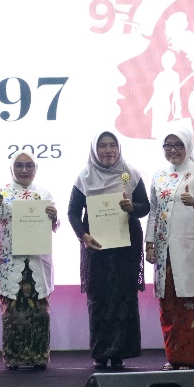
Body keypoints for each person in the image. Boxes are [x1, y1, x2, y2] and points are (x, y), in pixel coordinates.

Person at [67, 131, 149, 370]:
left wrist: (132, 207)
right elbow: (73, 212)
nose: (108, 150)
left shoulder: (131, 174)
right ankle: (101, 353)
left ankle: (120, 352)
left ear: (119, 148)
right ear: (95, 150)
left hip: (127, 246)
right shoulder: (84, 177)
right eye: (102, 146)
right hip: (97, 246)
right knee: (99, 298)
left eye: (113, 145)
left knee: (124, 297)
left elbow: (145, 207)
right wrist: (83, 236)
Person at [145, 126, 194, 370]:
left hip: (193, 249)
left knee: (193, 305)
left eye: (178, 145)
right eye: (168, 145)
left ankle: (189, 358)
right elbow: (153, 212)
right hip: (166, 253)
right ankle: (174, 357)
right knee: (169, 307)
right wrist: (149, 244)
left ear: (188, 146)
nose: (173, 150)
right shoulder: (159, 175)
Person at [0, 151, 59, 370]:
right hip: (11, 261)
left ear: (36, 168)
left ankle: (38, 357)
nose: (24, 170)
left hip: (37, 261)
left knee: (39, 312)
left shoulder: (44, 193)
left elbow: (54, 226)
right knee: (12, 312)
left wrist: (54, 217)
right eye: (19, 165)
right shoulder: (2, 192)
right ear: (12, 168)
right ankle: (14, 358)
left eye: (29, 166)